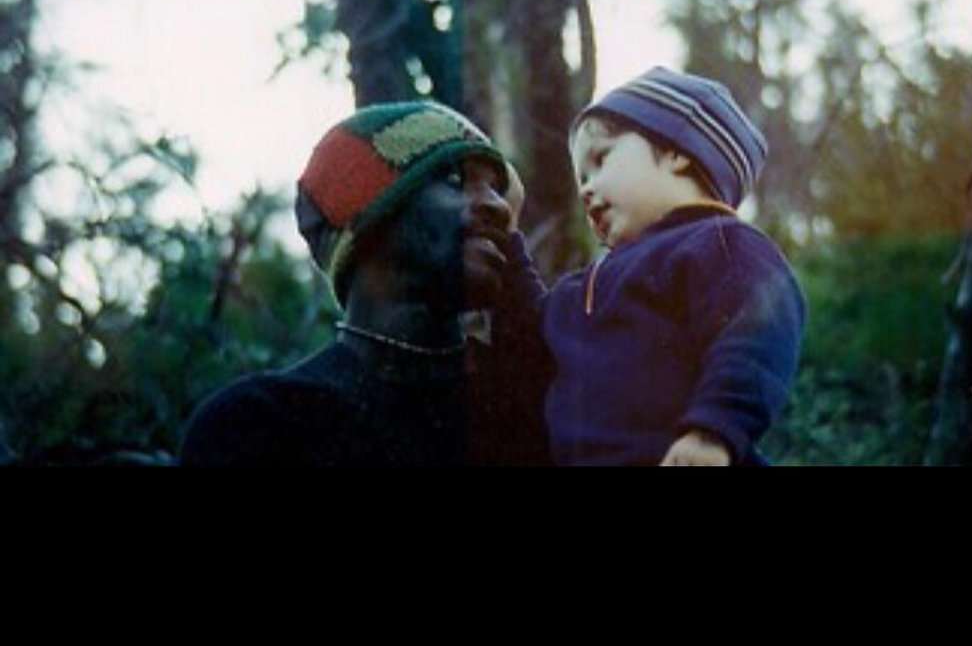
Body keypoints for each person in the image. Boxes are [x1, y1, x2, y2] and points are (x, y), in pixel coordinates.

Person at [178, 100, 552, 467]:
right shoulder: (258, 424)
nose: (500, 207)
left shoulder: (526, 401)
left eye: (496, 189)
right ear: (370, 219)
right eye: (456, 180)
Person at [521, 66, 806, 467]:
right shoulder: (580, 287)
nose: (585, 188)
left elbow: (756, 335)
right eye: (581, 177)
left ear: (677, 153)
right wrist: (506, 242)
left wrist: (712, 431)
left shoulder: (722, 243)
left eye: (601, 159)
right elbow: (530, 330)